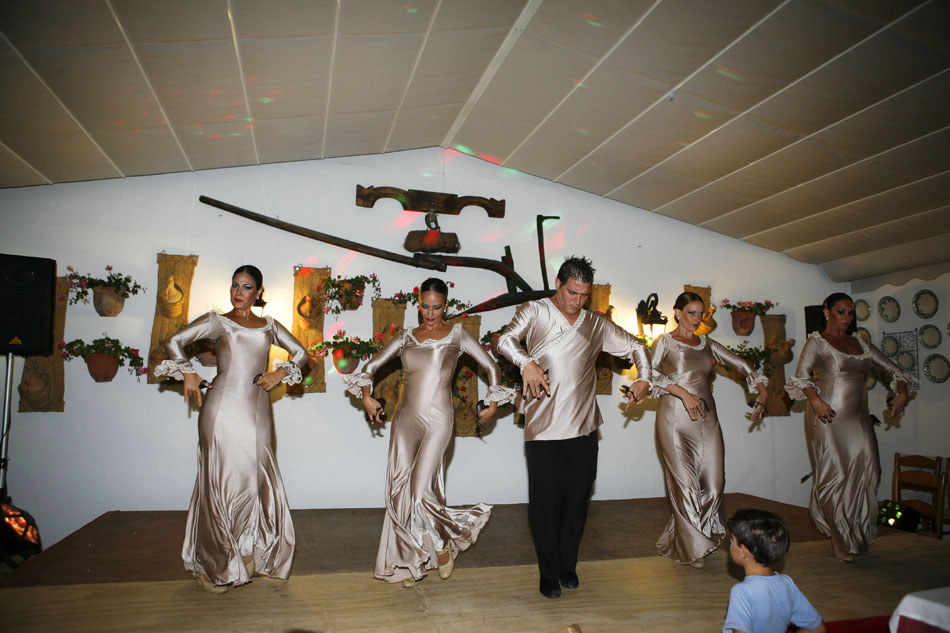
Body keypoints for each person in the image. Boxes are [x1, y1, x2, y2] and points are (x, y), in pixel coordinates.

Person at [496, 256, 652, 599]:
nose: (577, 301)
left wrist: (645, 377)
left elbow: (637, 346)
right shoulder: (535, 311)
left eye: (584, 295)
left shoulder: (596, 324)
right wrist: (526, 362)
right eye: (572, 292)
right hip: (543, 427)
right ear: (558, 283)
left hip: (583, 426)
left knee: (578, 498)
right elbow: (505, 340)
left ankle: (568, 565)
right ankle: (548, 572)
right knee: (545, 502)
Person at [344, 278, 516, 587]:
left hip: (439, 420)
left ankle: (441, 544)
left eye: (436, 307)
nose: (430, 313)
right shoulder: (406, 337)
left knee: (422, 490)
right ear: (419, 304)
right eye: (425, 307)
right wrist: (366, 396)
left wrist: (492, 404)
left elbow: (491, 367)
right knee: (401, 492)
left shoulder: (457, 335)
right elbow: (370, 367)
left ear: (445, 305)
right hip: (405, 420)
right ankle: (410, 562)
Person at [155, 265, 309, 593]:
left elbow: (301, 353)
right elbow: (173, 342)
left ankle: (247, 548)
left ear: (259, 292)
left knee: (256, 480)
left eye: (247, 286)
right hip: (221, 410)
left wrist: (279, 374)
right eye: (235, 285)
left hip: (258, 411)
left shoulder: (269, 325)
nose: (239, 292)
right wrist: (188, 372)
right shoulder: (217, 321)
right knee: (220, 483)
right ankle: (215, 563)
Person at [785, 292, 914, 561]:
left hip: (859, 418)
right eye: (841, 311)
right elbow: (801, 377)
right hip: (827, 416)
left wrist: (901, 393)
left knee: (870, 471)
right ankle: (839, 536)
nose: (846, 317)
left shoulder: (861, 343)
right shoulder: (817, 342)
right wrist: (816, 401)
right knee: (836, 475)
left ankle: (857, 533)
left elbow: (895, 370)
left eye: (850, 313)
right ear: (827, 312)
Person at [650, 292, 768, 568]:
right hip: (674, 419)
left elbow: (742, 365)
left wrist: (762, 391)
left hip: (707, 419)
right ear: (677, 313)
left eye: (700, 313)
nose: (697, 319)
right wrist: (683, 393)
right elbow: (649, 374)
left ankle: (697, 535)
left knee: (714, 486)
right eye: (691, 313)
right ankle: (694, 546)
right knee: (686, 486)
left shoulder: (707, 344)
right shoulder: (664, 342)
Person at [723, 509, 827, 633]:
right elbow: (819, 628)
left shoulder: (741, 592)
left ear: (744, 551)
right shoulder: (787, 584)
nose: (729, 546)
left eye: (731, 542)